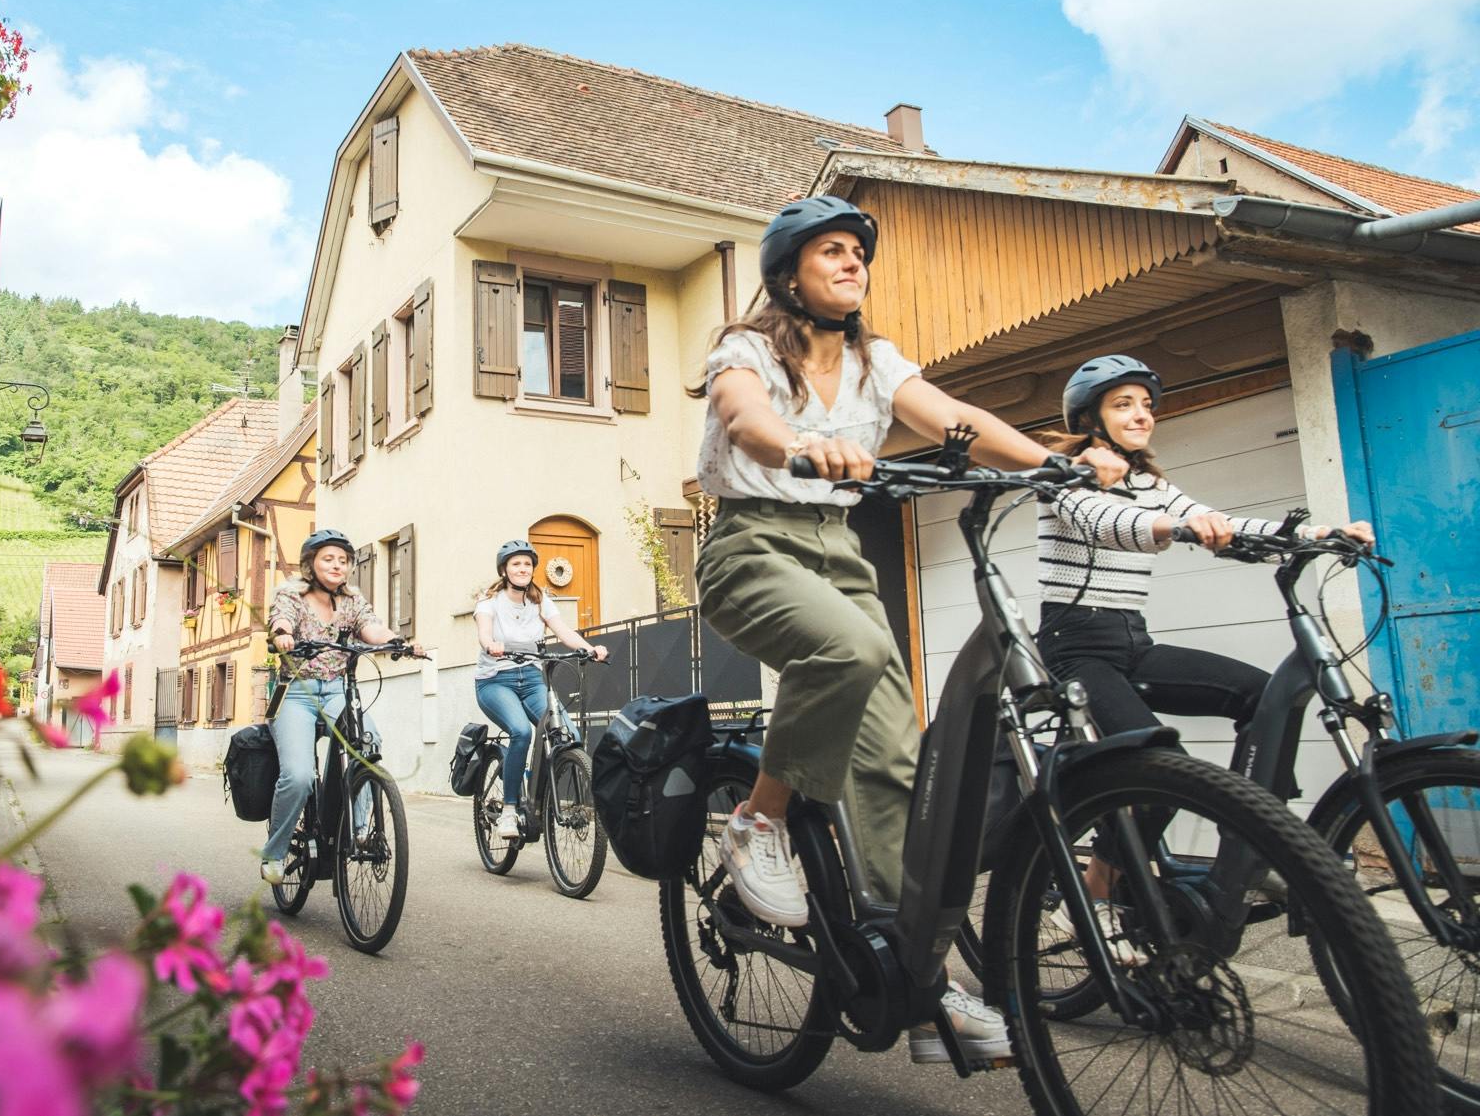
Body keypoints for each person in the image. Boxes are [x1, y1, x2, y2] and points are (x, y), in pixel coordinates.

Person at [691, 194, 1129, 1064]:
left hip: (839, 551)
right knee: (846, 650)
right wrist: (802, 448)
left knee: (897, 763)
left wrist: (1053, 463)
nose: (854, 263)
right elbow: (746, 419)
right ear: (789, 273)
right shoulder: (745, 349)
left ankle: (919, 986)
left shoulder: (874, 359)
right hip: (751, 544)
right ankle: (758, 821)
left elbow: (952, 417)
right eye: (832, 251)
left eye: (860, 251)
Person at [1036, 354, 1374, 918]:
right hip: (1074, 644)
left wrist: (1316, 532)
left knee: (1265, 696)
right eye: (1124, 404)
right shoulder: (1062, 476)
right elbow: (1107, 524)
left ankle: (1256, 843)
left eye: (1147, 405)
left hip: (1132, 641)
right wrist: (1177, 528)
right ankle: (1094, 890)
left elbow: (1223, 520)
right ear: (1090, 419)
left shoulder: (1151, 483)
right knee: (1155, 762)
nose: (1142, 414)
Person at [263, 528, 420, 885]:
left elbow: (372, 628)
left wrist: (398, 641)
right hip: (296, 694)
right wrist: (283, 634)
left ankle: (360, 829)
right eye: (328, 559)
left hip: (337, 691)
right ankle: (275, 850)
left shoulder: (351, 600)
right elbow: (281, 619)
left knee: (368, 746)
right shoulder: (292, 594)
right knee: (299, 776)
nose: (338, 565)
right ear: (311, 563)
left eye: (343, 560)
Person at [473, 539, 610, 839]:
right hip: (496, 680)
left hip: (533, 679)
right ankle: (509, 810)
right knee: (521, 731)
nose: (522, 569)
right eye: (516, 564)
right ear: (505, 570)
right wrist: (491, 645)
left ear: (533, 569)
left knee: (568, 734)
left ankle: (537, 797)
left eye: (527, 564)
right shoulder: (489, 601)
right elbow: (484, 632)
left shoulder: (540, 600)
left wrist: (589, 648)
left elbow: (563, 631)